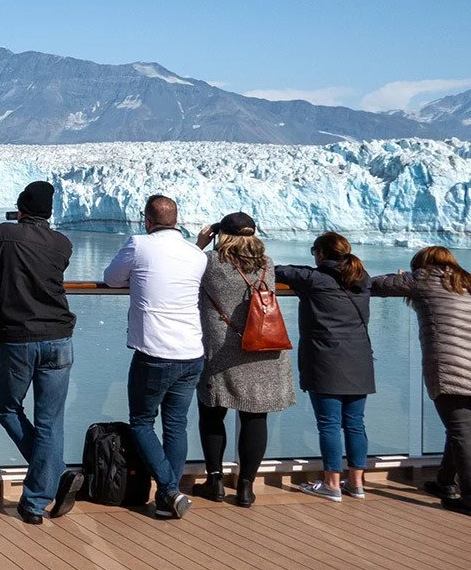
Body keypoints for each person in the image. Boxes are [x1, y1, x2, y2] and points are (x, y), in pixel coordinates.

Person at [0, 180, 81, 525]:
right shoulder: (62, 243)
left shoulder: (3, 234)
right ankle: (37, 498)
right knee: (51, 422)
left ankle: (53, 477)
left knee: (6, 408)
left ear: (20, 208)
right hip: (60, 338)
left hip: (19, 338)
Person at [103, 194, 206, 520]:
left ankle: (169, 490)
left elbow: (111, 278)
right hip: (192, 352)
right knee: (176, 426)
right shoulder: (195, 254)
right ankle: (166, 501)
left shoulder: (140, 244)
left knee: (142, 422)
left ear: (147, 220)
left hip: (156, 352)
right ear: (176, 220)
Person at [191, 213, 294, 508]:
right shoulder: (267, 264)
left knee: (212, 414)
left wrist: (200, 243)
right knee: (255, 416)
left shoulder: (209, 262)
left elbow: (182, 269)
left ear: (221, 235)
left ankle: (216, 482)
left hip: (222, 351)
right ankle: (247, 487)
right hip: (264, 349)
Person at [275, 232, 374, 502]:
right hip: (360, 361)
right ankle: (356, 484)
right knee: (354, 423)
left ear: (320, 253)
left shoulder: (313, 278)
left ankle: (332, 484)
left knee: (329, 424)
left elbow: (277, 272)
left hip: (325, 361)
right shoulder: (362, 278)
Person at [372, 247, 471, 514]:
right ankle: (445, 482)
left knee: (461, 432)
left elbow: (375, 284)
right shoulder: (466, 281)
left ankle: (469, 499)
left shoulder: (423, 278)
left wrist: (404, 276)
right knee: (459, 428)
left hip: (450, 369)